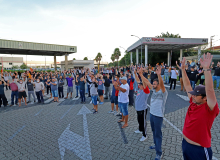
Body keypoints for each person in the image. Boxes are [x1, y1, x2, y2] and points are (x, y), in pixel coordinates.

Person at [181, 53, 219, 160]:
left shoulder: (210, 109)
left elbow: (210, 90)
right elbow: (187, 85)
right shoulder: (193, 102)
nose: (192, 96)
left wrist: (206, 69)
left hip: (199, 150)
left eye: (196, 95)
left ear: (205, 98)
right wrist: (183, 69)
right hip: (185, 145)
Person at [148, 65, 168, 160]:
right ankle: (156, 145)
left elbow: (163, 86)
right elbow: (147, 82)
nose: (153, 84)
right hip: (151, 115)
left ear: (159, 84)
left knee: (158, 134)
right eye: (153, 83)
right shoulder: (153, 90)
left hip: (158, 116)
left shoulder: (163, 93)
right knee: (153, 132)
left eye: (155, 83)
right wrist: (138, 74)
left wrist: (159, 75)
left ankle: (159, 153)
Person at [134, 68, 150, 142]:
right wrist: (135, 73)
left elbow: (144, 83)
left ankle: (145, 135)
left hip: (143, 109)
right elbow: (137, 80)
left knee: (143, 122)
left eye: (140, 85)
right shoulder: (139, 90)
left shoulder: (145, 91)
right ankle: (140, 130)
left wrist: (141, 74)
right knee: (139, 120)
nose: (139, 85)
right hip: (138, 108)